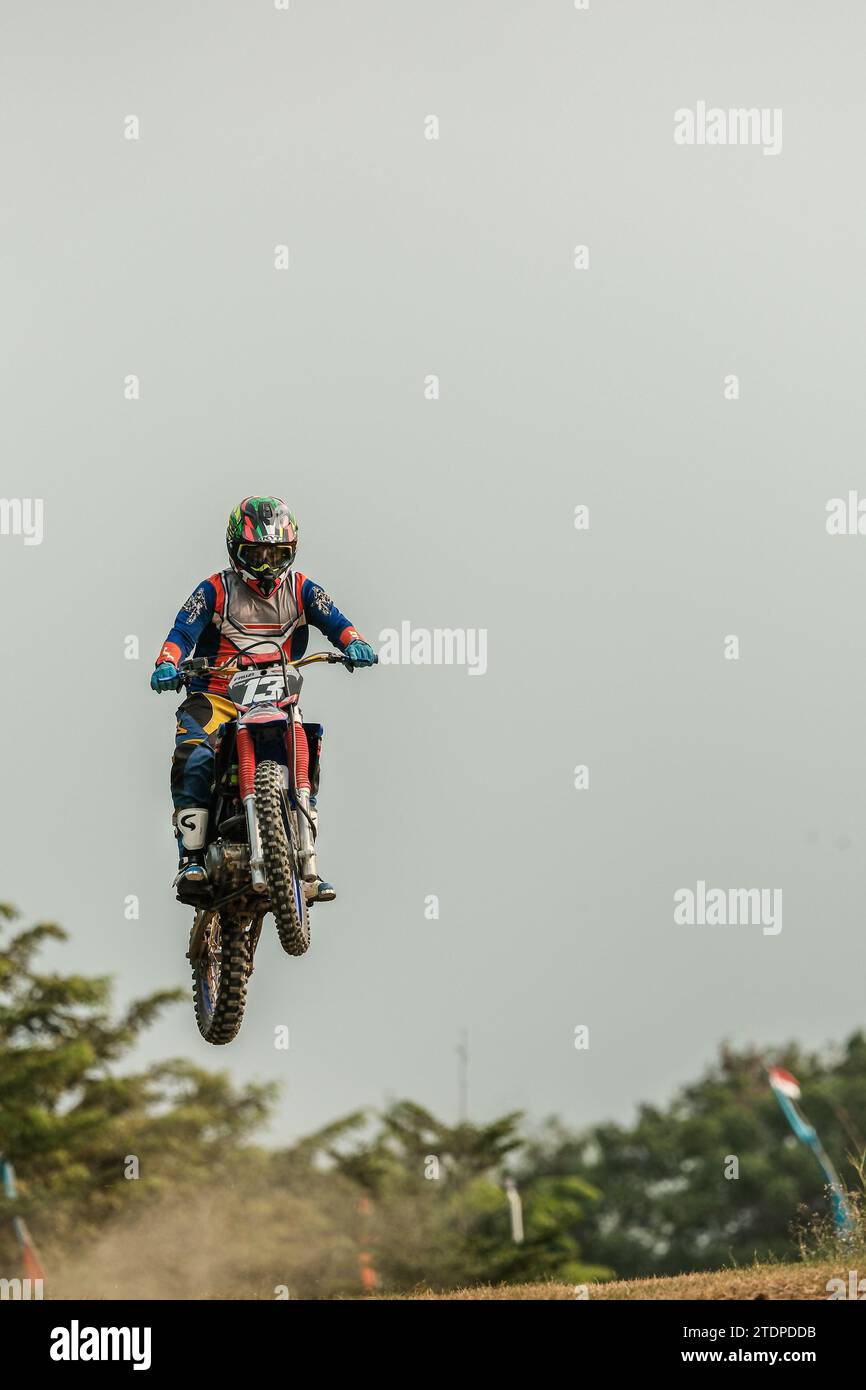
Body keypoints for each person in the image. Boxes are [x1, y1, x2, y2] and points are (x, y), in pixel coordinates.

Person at [150, 496, 375, 897]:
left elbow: (336, 619)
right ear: (237, 551)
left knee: (306, 745)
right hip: (217, 695)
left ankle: (307, 862)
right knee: (193, 755)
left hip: (278, 695)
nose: (267, 565)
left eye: (277, 554)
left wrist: (355, 642)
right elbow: (181, 633)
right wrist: (167, 663)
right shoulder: (214, 590)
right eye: (257, 554)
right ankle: (191, 859)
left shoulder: (302, 589)